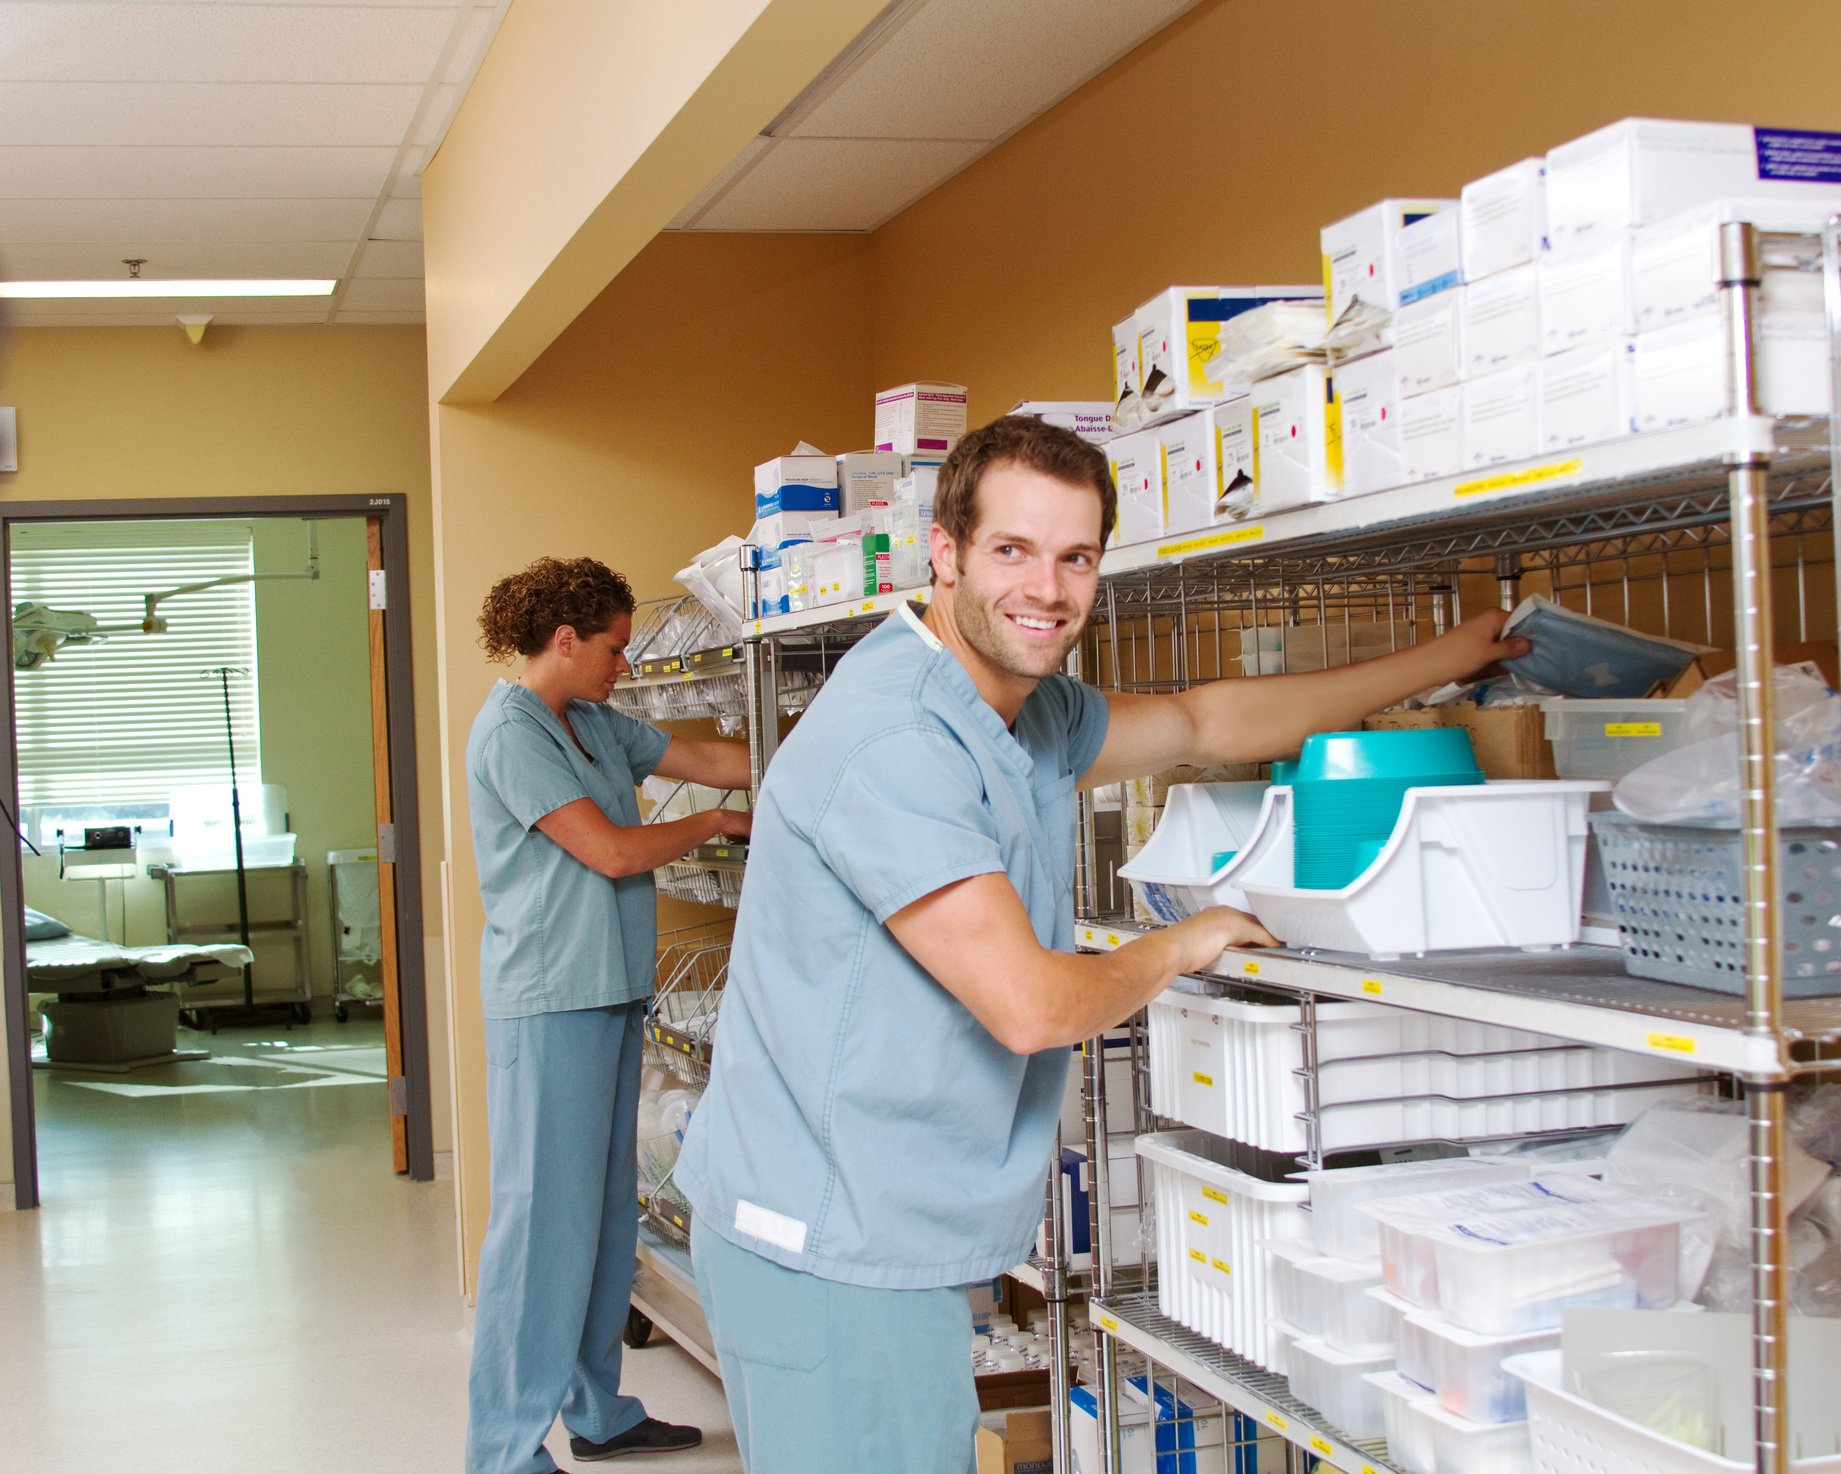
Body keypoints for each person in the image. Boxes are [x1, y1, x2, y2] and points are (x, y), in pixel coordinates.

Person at [675, 417, 1527, 1471]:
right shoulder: (896, 738)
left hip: (876, 1216)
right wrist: (1178, 944)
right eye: (1012, 550)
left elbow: (1205, 721)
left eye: (1074, 556)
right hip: (830, 1244)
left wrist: (1446, 658)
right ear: (943, 554)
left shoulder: (1020, 707)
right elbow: (1029, 1005)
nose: (1046, 587)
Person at [464, 556, 752, 1474]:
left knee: (601, 1218)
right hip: (550, 1002)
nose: (622, 664)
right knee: (541, 1224)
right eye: (615, 648)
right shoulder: (510, 734)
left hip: (612, 989)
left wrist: (819, 756)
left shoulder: (587, 722)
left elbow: (706, 759)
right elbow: (614, 853)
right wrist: (712, 824)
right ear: (564, 639)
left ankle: (599, 1411)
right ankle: (502, 1449)